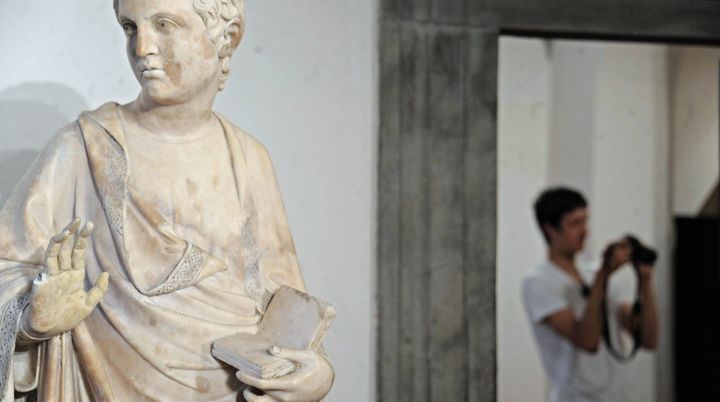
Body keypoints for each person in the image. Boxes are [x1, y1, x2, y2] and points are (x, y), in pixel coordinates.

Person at [0, 0, 334, 401]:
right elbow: (7, 272)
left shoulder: (249, 160)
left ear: (225, 38)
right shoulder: (83, 150)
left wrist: (315, 375)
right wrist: (30, 321)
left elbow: (287, 309)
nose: (142, 49)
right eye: (130, 27)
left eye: (164, 24)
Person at [522, 187, 659, 402]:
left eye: (585, 221)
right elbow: (588, 340)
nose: (584, 231)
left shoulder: (593, 273)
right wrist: (603, 276)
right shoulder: (538, 282)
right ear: (549, 229)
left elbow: (648, 339)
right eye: (574, 224)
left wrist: (645, 282)